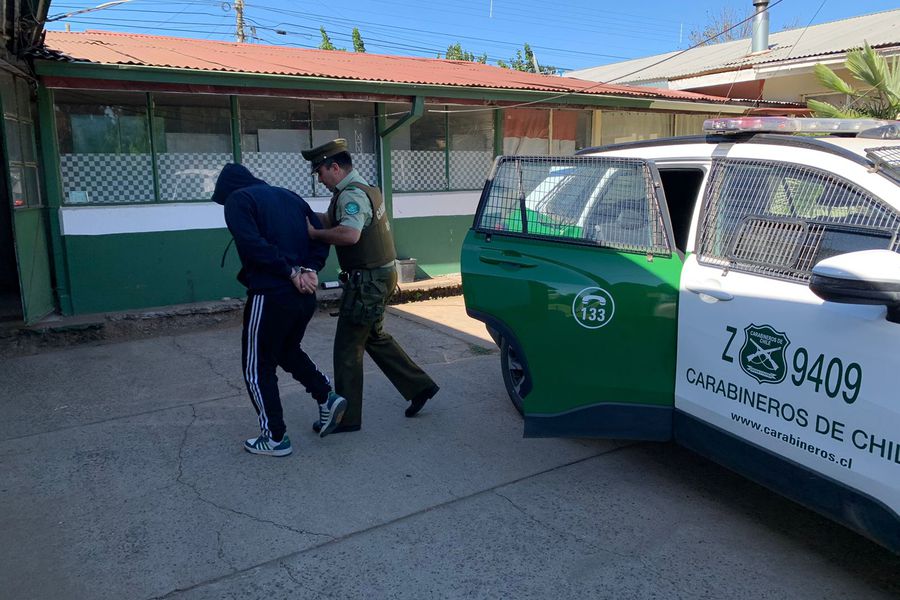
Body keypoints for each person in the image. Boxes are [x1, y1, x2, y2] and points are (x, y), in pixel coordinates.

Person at [302, 139, 439, 433]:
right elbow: (336, 219)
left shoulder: (352, 195)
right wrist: (310, 218)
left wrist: (315, 234)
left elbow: (350, 235)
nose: (320, 179)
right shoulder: (362, 189)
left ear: (334, 167)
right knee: (374, 337)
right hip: (379, 277)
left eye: (320, 173)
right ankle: (420, 387)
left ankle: (347, 418)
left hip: (368, 282)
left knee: (347, 348)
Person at [212, 163, 347, 457]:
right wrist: (310, 269)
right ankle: (326, 397)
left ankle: (274, 437)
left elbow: (251, 245)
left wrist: (290, 272)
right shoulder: (289, 196)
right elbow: (319, 232)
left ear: (227, 190)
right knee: (287, 351)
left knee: (257, 366)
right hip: (304, 296)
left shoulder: (238, 200)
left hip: (271, 294)